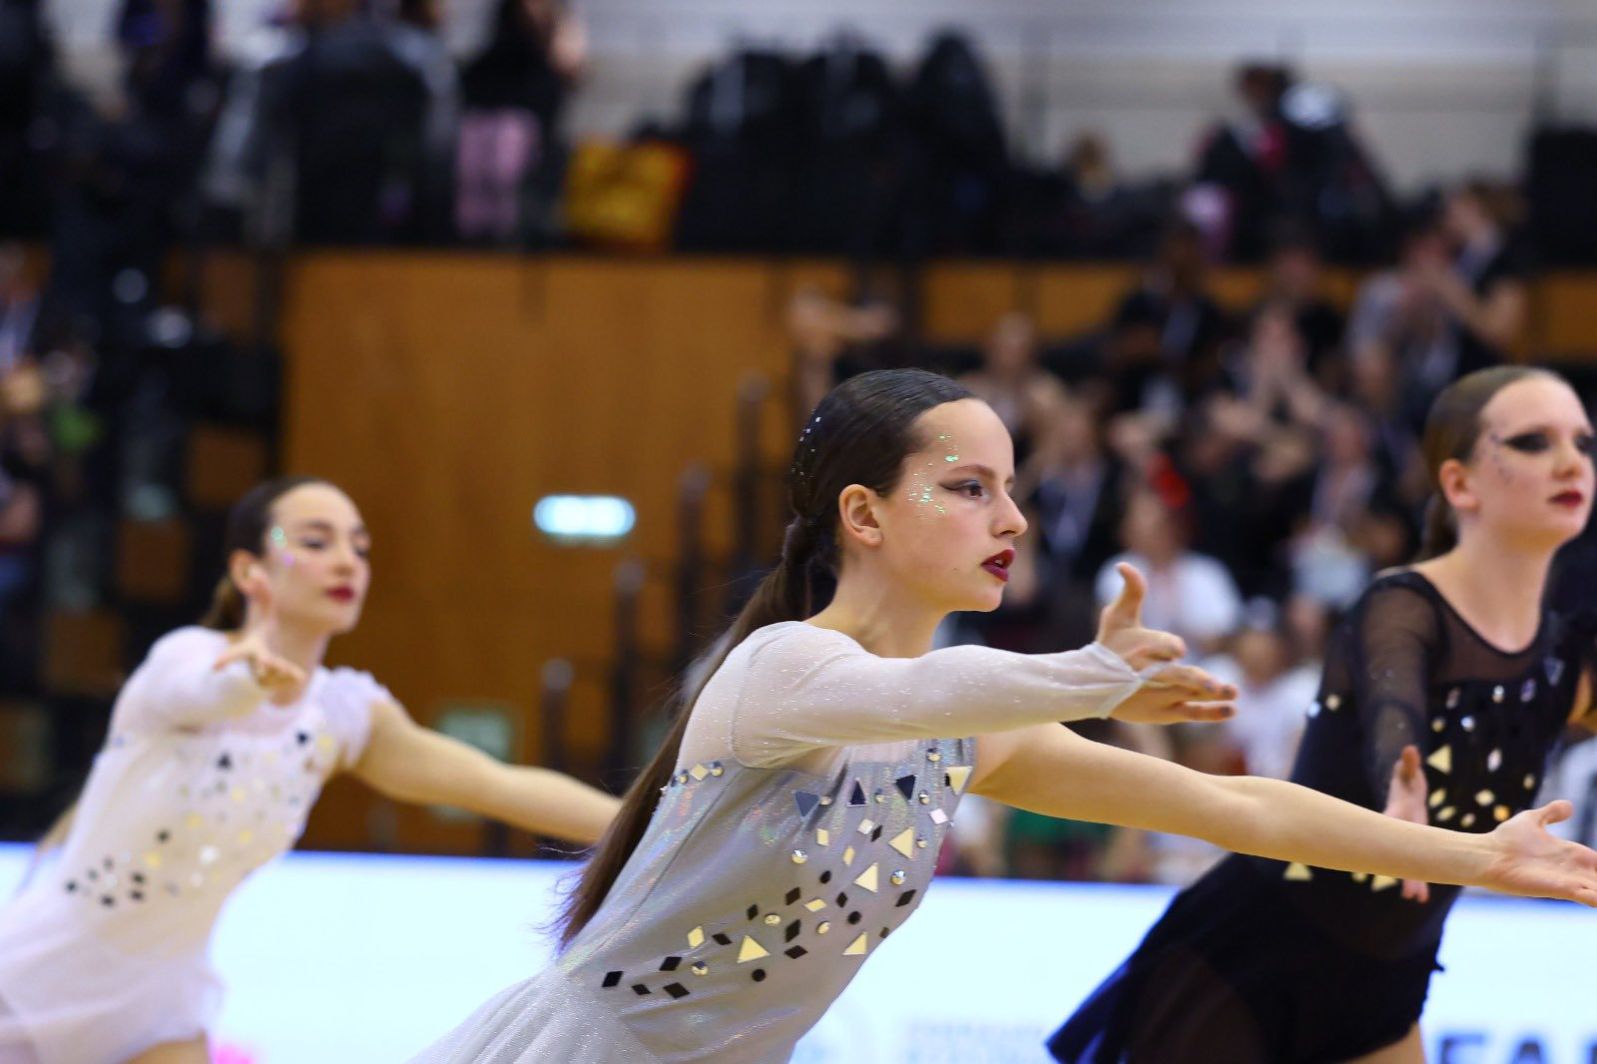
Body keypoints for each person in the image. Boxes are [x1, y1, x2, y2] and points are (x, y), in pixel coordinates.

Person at [411, 369, 1597, 1064]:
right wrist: (1092, 675)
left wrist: (1479, 854)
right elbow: (915, 691)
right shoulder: (778, 669)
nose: (1012, 517)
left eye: (1014, 487)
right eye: (970, 487)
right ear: (865, 517)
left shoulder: (972, 726)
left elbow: (1237, 802)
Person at [1049, 365, 1597, 1063]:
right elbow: (1391, 699)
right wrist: (1400, 778)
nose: (1569, 459)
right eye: (1531, 440)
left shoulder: (1565, 656)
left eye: (1580, 441)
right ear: (1459, 483)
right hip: (1254, 962)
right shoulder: (1401, 606)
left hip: (1386, 981)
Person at [0, 476, 620, 1064]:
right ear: (248, 569)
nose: (347, 561)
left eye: (360, 546)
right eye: (316, 542)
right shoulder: (184, 660)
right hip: (34, 980)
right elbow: (203, 690)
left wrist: (657, 824)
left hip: (159, 1010)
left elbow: (496, 785)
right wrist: (247, 680)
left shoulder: (342, 717)